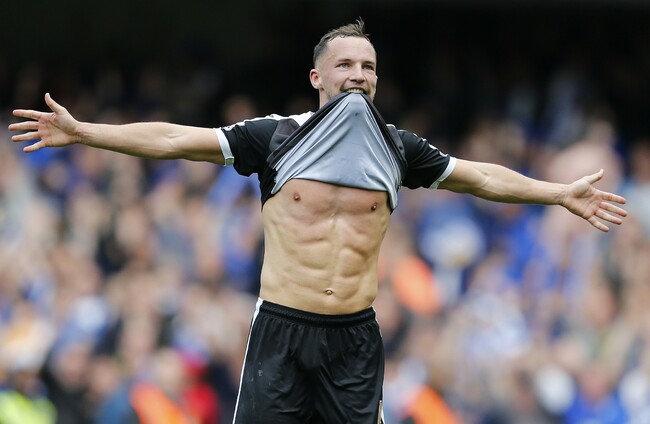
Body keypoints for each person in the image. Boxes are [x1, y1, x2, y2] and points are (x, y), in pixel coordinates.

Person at [8, 19, 627, 424]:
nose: (358, 75)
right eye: (345, 65)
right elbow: (175, 139)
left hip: (354, 340)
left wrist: (557, 193)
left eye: (368, 67)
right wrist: (85, 132)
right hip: (280, 331)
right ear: (317, 77)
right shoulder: (276, 138)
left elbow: (482, 177)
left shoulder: (398, 148)